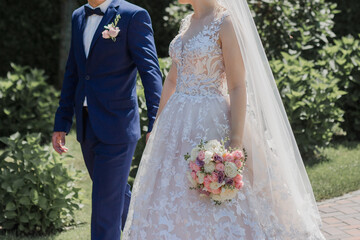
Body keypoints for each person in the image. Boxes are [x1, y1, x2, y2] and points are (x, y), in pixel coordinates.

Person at [123, 0, 325, 239]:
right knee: (170, 194)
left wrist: (236, 143)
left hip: (211, 120)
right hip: (175, 123)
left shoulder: (225, 22)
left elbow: (238, 86)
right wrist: (157, 124)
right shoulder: (187, 23)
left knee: (217, 196)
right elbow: (172, 80)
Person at [51, 0, 162, 239]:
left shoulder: (134, 16)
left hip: (118, 125)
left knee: (103, 208)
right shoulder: (78, 16)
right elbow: (73, 71)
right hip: (86, 124)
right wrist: (62, 121)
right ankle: (151, 232)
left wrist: (157, 120)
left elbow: (150, 71)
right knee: (114, 196)